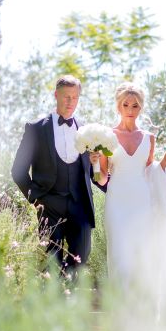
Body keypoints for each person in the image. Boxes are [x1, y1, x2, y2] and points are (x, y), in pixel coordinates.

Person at [11, 75, 106, 281]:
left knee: (82, 256)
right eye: (66, 96)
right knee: (51, 262)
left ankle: (67, 293)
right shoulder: (36, 129)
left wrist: (97, 165)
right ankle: (56, 300)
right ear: (56, 95)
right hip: (49, 205)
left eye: (74, 97)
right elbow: (18, 170)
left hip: (79, 204)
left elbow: (93, 174)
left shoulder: (87, 131)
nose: (70, 102)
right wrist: (36, 200)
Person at [94, 83, 166, 314]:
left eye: (135, 105)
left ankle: (144, 308)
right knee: (120, 254)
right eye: (126, 105)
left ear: (141, 108)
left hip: (143, 203)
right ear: (118, 106)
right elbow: (102, 179)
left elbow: (149, 173)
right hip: (117, 203)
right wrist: (94, 161)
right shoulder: (106, 137)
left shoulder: (149, 138)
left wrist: (165, 163)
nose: (130, 109)